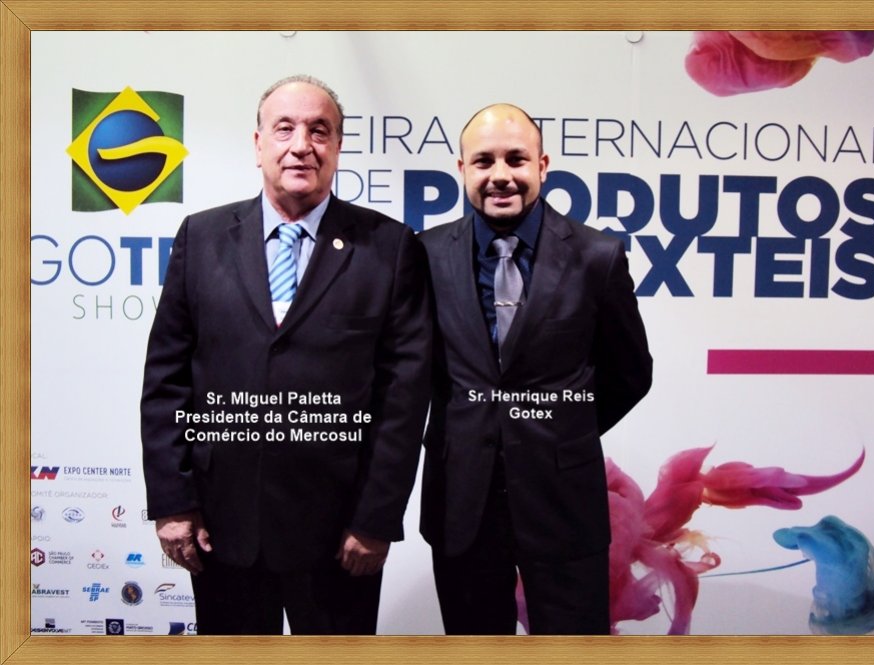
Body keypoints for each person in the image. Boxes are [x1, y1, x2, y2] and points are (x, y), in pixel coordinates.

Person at [140, 75, 431, 635]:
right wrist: (173, 501)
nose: (302, 145)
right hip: (221, 527)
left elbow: (403, 399)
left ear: (338, 147)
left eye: (319, 131)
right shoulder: (201, 237)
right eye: (285, 129)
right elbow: (166, 380)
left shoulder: (390, 247)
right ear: (258, 145)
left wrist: (376, 519)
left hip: (339, 534)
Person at [418, 103, 653, 635]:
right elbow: (418, 374)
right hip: (461, 502)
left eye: (516, 159)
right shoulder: (425, 255)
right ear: (462, 169)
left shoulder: (597, 256)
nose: (500, 175)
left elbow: (630, 374)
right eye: (484, 161)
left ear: (542, 166)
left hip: (564, 503)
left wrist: (559, 429)